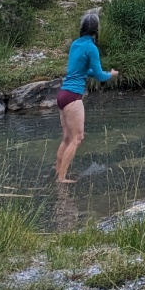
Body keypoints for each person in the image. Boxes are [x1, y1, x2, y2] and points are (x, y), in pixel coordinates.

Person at [55, 11, 117, 183]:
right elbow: (98, 75)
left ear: (82, 28)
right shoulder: (92, 48)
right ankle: (62, 178)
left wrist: (103, 73)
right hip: (74, 97)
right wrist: (110, 74)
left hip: (62, 95)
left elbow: (81, 71)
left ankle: (58, 172)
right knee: (77, 138)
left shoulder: (75, 44)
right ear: (96, 29)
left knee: (66, 137)